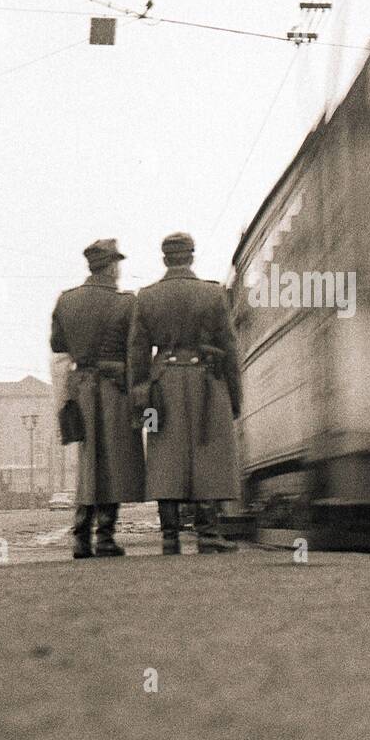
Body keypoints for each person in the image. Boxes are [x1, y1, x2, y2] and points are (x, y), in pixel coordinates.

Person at [128, 231, 240, 555]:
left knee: (164, 452)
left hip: (161, 383)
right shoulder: (213, 294)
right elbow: (230, 348)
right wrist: (235, 396)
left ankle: (169, 533)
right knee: (209, 450)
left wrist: (140, 399)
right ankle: (208, 532)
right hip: (208, 381)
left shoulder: (146, 297)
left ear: (165, 259)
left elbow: (136, 353)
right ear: (192, 256)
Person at [50, 238, 145, 559]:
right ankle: (105, 536)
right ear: (113, 266)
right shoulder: (126, 303)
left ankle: (80, 536)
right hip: (116, 388)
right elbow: (136, 351)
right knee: (114, 462)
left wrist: (63, 400)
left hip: (79, 387)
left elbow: (59, 351)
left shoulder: (66, 301)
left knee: (88, 462)